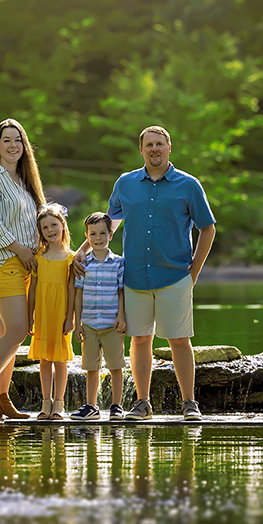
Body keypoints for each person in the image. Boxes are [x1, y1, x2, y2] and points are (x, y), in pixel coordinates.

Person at [79, 125, 215, 421]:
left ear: (169, 148)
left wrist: (193, 272)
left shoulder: (188, 185)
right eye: (149, 144)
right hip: (135, 277)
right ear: (141, 150)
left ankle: (189, 403)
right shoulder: (126, 184)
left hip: (175, 276)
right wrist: (82, 252)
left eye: (159, 144)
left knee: (179, 340)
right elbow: (108, 226)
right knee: (140, 340)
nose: (154, 149)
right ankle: (142, 403)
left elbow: (208, 228)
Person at [0, 118, 45, 420]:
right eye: (7, 140)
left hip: (25, 263)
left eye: (18, 140)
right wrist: (20, 249)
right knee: (17, 329)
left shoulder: (25, 183)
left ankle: (2, 398)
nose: (13, 145)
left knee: (9, 331)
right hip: (1, 261)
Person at [71, 212, 126, 421]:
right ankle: (91, 406)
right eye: (93, 234)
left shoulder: (119, 263)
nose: (98, 238)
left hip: (112, 324)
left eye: (102, 233)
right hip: (90, 325)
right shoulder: (84, 263)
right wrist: (78, 324)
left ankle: (116, 406)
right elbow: (78, 295)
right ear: (87, 236)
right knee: (91, 367)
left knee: (116, 366)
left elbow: (121, 291)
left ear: (110, 235)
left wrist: (121, 316)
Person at [27, 203, 76, 420]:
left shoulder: (70, 258)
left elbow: (73, 291)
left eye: (54, 225)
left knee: (60, 360)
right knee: (44, 360)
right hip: (42, 314)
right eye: (45, 227)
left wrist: (71, 318)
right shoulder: (38, 256)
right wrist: (29, 315)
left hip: (61, 314)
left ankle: (59, 403)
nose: (50, 230)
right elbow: (33, 289)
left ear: (63, 226)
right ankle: (45, 403)